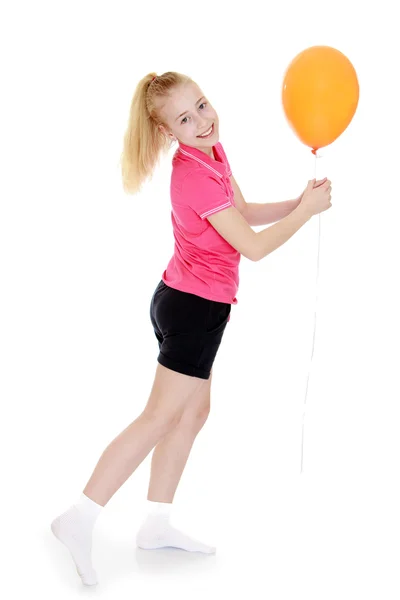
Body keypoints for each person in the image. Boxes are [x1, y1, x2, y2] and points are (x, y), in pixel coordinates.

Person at [50, 71, 332, 586]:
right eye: (185, 117)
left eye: (202, 105)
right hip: (191, 310)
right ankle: (80, 516)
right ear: (165, 132)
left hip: (189, 303)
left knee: (194, 411)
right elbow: (255, 246)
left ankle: (156, 523)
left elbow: (243, 214)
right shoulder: (193, 175)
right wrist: (308, 215)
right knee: (159, 418)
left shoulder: (213, 155)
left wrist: (297, 202)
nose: (203, 120)